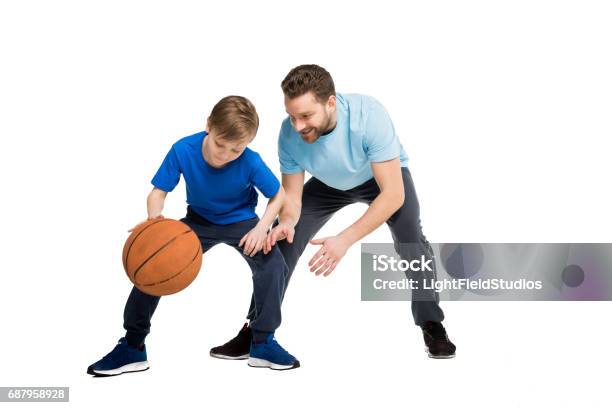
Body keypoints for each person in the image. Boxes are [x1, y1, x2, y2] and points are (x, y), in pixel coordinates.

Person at [210, 65, 456, 360]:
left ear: (330, 102)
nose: (298, 126)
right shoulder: (289, 135)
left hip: (379, 179)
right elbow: (293, 198)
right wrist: (287, 222)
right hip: (327, 185)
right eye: (292, 115)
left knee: (411, 239)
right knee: (282, 241)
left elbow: (392, 195)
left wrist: (343, 240)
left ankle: (432, 323)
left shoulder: (368, 116)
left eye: (306, 116)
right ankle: (256, 331)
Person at [87, 95, 300, 376]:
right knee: (151, 264)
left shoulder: (251, 161)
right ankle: (132, 346)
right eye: (220, 145)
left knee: (274, 266)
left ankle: (262, 341)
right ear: (208, 126)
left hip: (243, 222)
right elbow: (158, 193)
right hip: (198, 222)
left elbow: (278, 195)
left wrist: (262, 228)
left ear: (247, 144)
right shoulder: (183, 149)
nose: (224, 155)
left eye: (235, 150)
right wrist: (154, 222)